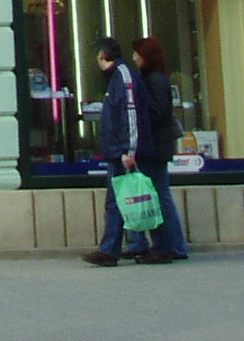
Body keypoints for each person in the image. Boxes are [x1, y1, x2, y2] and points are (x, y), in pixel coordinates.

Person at [81, 35, 159, 267]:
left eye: (97, 56)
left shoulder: (122, 76)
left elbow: (130, 114)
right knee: (126, 199)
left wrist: (129, 150)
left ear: (102, 55)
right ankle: (137, 244)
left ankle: (110, 250)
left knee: (118, 201)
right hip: (118, 150)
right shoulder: (117, 76)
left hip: (123, 151)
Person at [127, 36, 192, 263]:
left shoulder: (155, 81)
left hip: (155, 147)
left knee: (160, 195)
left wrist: (140, 109)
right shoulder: (153, 78)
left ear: (146, 56)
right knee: (159, 194)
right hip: (155, 146)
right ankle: (170, 245)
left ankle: (171, 245)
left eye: (137, 54)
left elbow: (159, 114)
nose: (134, 58)